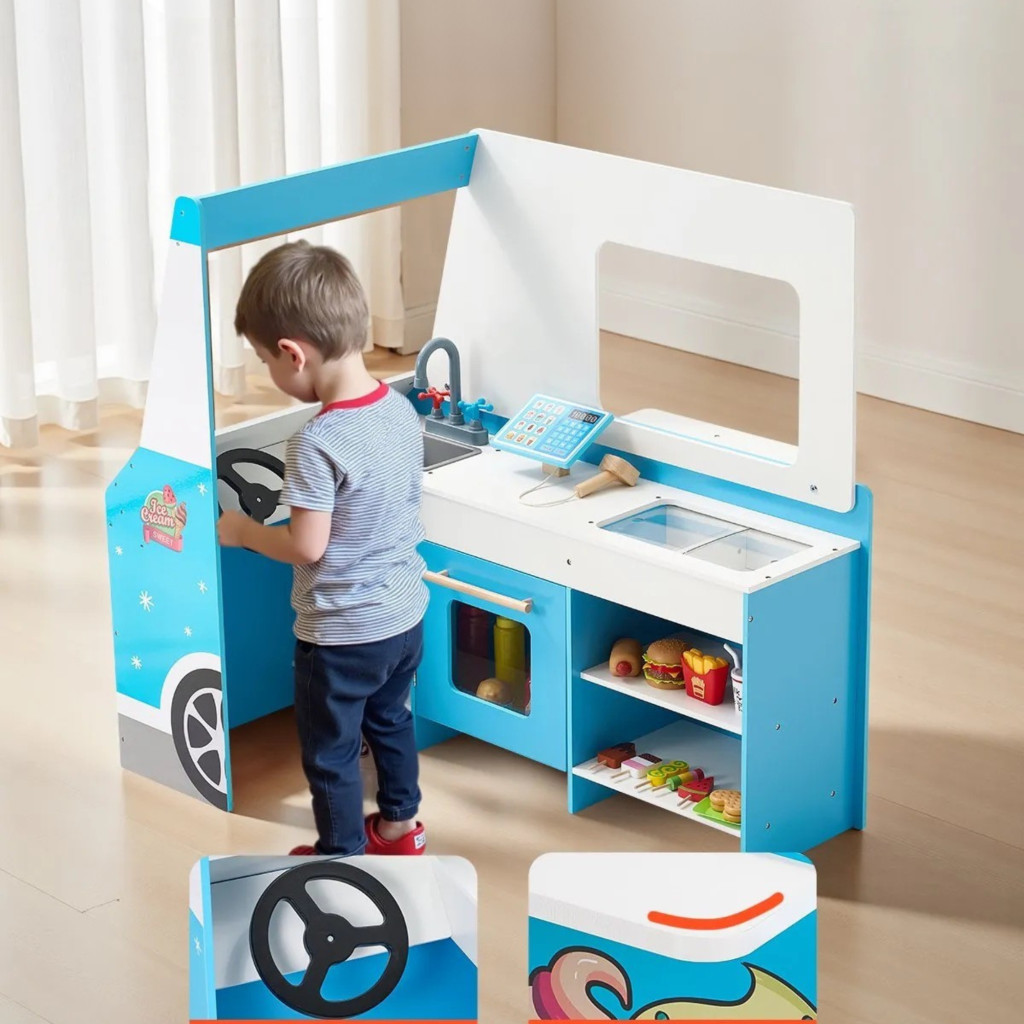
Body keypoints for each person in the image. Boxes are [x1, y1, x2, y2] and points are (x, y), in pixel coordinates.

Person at [218, 240, 428, 856]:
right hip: (403, 617)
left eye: (265, 361)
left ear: (293, 353)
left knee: (330, 751)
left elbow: (306, 546)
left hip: (341, 634)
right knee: (390, 720)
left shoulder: (316, 441)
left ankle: (342, 857)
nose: (270, 372)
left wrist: (242, 532)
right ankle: (399, 828)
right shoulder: (398, 408)